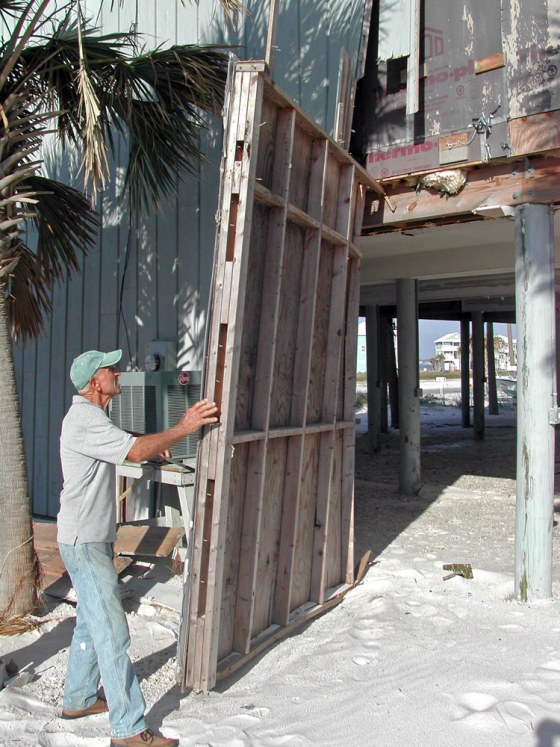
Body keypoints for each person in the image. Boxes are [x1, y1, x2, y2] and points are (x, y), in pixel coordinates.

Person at [57, 348, 218, 747]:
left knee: (90, 621)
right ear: (95, 383)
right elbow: (132, 450)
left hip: (84, 536)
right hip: (84, 540)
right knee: (112, 631)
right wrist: (184, 427)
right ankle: (128, 730)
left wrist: (149, 443)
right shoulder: (85, 419)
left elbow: (127, 443)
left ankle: (77, 698)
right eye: (111, 370)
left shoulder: (92, 418)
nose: (119, 374)